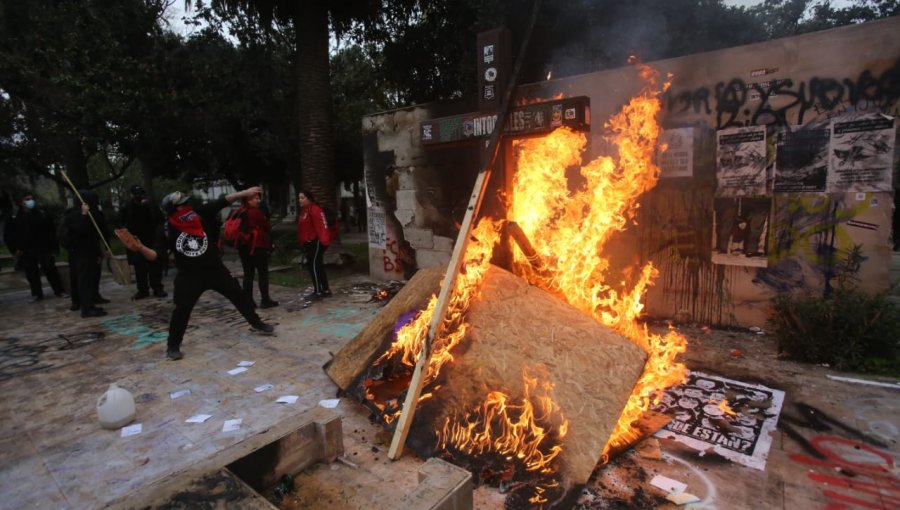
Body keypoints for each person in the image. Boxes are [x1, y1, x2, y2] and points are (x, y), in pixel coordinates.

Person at [116, 186, 275, 361]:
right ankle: (173, 346)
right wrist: (140, 248)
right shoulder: (166, 229)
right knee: (181, 311)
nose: (187, 208)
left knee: (239, 295)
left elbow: (221, 202)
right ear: (174, 209)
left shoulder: (198, 215)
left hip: (215, 269)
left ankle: (256, 323)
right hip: (189, 276)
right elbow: (156, 256)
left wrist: (243, 194)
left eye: (187, 204)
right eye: (183, 205)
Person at [3, 191, 67, 302]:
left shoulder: (41, 213)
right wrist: (15, 249)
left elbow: (50, 231)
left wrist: (53, 246)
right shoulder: (14, 216)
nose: (30, 201)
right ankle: (37, 293)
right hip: (26, 249)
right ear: (21, 202)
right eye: (27, 199)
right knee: (31, 271)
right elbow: (8, 235)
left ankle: (59, 290)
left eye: (31, 199)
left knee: (50, 268)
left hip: (43, 247)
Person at [63, 189, 111, 317]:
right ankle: (86, 308)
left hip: (90, 251)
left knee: (90, 278)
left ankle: (90, 303)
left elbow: (96, 234)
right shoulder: (75, 215)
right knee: (83, 279)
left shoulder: (94, 213)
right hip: (80, 252)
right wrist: (84, 214)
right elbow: (81, 230)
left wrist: (100, 251)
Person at [119, 185, 166, 299]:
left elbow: (161, 220)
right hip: (135, 240)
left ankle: (157, 287)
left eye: (141, 193)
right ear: (132, 195)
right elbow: (121, 222)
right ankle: (142, 289)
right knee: (139, 267)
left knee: (155, 265)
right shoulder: (127, 207)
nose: (139, 197)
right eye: (136, 194)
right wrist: (128, 236)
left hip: (152, 239)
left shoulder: (151, 205)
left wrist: (159, 235)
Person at [237, 191, 278, 308]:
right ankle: (265, 300)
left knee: (248, 274)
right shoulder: (256, 212)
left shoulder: (239, 211)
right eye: (255, 198)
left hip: (243, 246)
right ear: (248, 200)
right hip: (257, 246)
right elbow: (266, 226)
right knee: (262, 273)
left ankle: (248, 301)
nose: (258, 200)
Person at [296, 189, 332, 299]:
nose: (300, 200)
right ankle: (325, 289)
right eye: (299, 198)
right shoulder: (304, 211)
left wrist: (323, 241)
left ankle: (318, 291)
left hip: (316, 242)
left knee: (313, 266)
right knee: (318, 265)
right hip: (308, 242)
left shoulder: (315, 209)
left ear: (309, 198)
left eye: (302, 198)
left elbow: (322, 225)